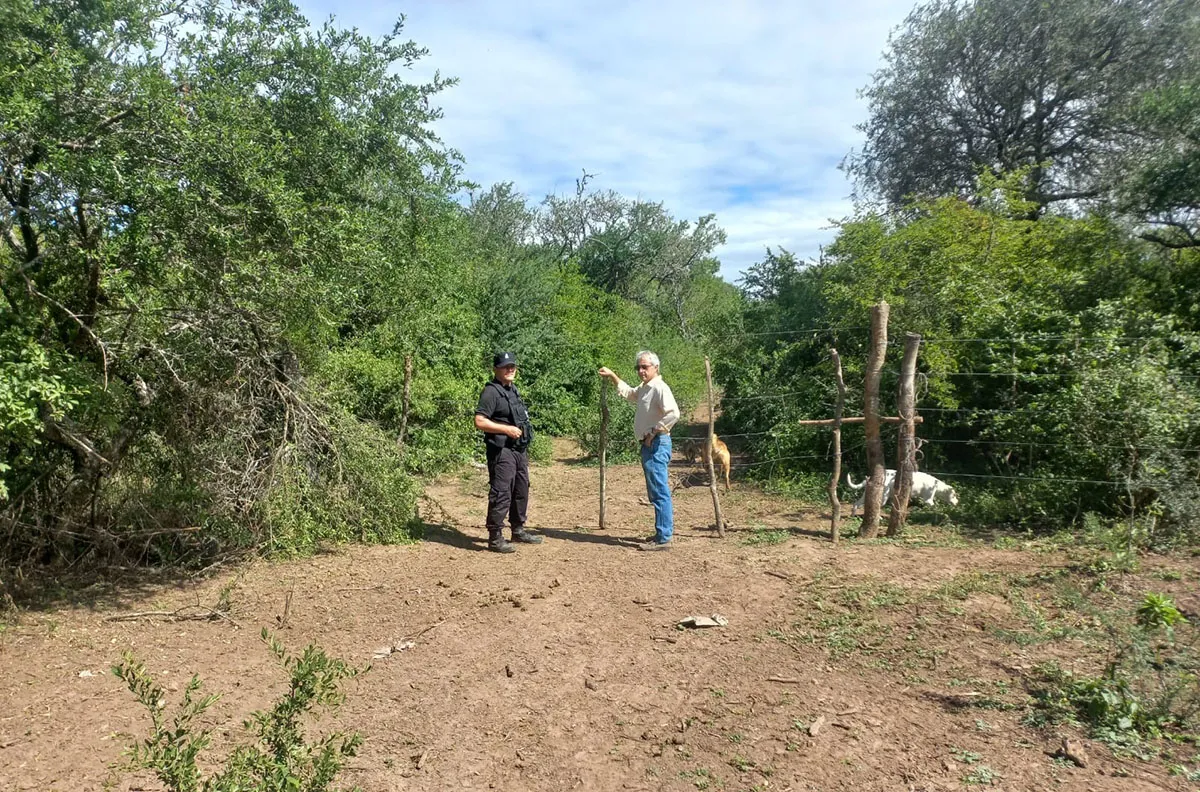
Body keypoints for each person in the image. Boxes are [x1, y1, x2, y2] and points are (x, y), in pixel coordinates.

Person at [598, 351, 680, 550]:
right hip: (649, 444)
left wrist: (654, 431)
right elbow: (630, 393)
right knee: (655, 490)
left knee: (659, 491)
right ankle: (661, 533)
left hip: (657, 444)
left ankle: (664, 538)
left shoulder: (660, 387)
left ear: (656, 368)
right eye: (639, 367)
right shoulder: (646, 388)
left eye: (645, 367)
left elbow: (674, 414)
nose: (641, 371)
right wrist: (613, 376)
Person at [474, 352, 542, 553]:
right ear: (496, 369)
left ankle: (518, 530)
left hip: (518, 449)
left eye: (512, 366)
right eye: (505, 367)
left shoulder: (513, 390)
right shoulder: (490, 392)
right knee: (501, 492)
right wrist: (506, 429)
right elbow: (479, 421)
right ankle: (495, 537)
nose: (510, 370)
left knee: (521, 489)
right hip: (501, 449)